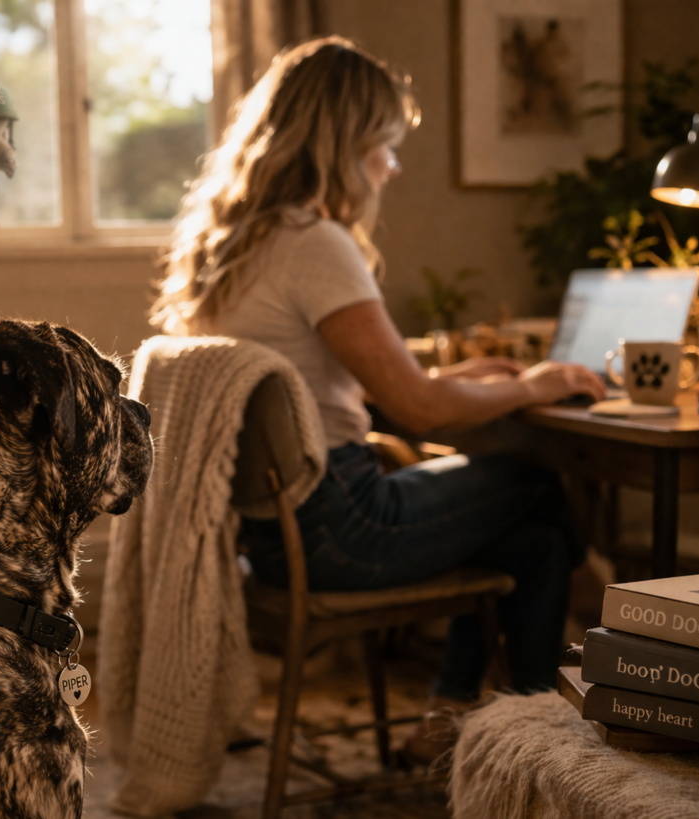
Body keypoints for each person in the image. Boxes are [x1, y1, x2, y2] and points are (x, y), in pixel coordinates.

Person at [150, 35, 606, 764]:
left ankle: (453, 722)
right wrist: (532, 385)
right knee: (537, 485)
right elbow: (419, 410)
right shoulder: (315, 241)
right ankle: (536, 737)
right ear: (343, 145)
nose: (393, 166)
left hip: (276, 535)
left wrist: (473, 377)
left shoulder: (237, 242)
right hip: (342, 524)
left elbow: (353, 383)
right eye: (384, 147)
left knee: (536, 540)